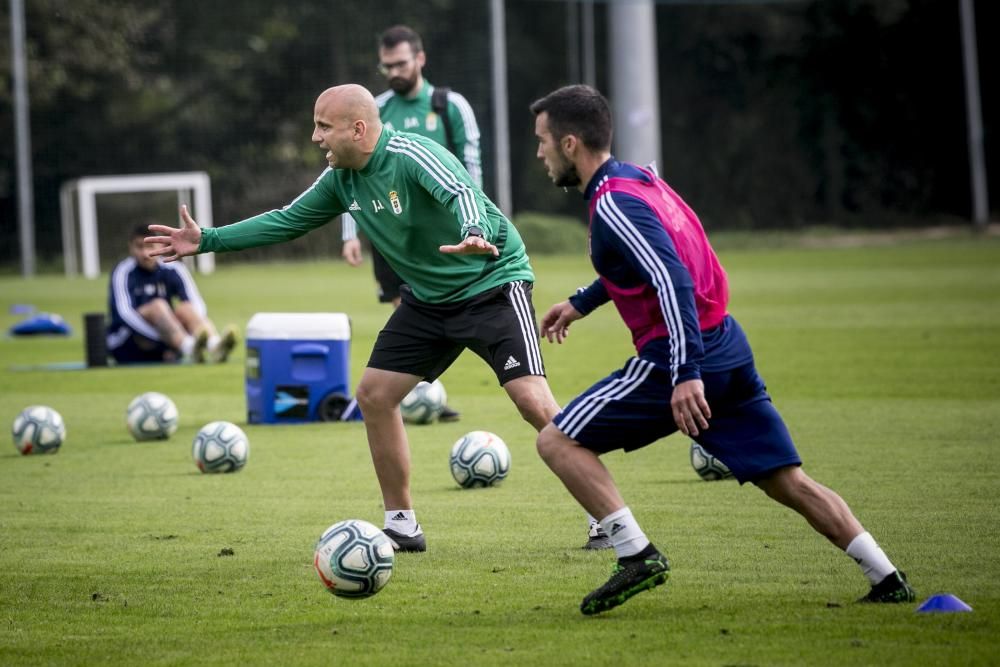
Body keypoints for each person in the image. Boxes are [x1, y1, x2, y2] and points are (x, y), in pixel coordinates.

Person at [530, 84, 916, 615]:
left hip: (679, 357)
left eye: (543, 141)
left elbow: (671, 280)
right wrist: (583, 302)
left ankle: (637, 555)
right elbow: (657, 262)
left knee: (556, 441)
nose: (540, 153)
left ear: (571, 144)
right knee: (788, 480)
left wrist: (685, 372)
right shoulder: (640, 181)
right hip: (727, 346)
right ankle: (887, 576)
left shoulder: (612, 202)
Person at [145, 84, 573, 554]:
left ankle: (608, 519)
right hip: (429, 301)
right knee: (373, 395)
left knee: (531, 400)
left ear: (359, 128)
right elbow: (287, 221)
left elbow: (461, 192)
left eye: (323, 126)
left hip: (492, 284)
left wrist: (473, 232)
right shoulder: (341, 179)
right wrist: (206, 239)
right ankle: (402, 524)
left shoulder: (411, 154)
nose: (315, 137)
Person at [340, 24, 481, 424]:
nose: (394, 72)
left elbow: (472, 166)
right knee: (410, 307)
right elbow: (351, 173)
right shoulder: (375, 109)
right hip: (392, 232)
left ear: (420, 59)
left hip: (449, 231)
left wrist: (475, 220)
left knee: (456, 312)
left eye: (401, 63)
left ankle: (423, 394)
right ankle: (423, 395)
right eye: (386, 66)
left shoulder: (449, 106)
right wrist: (350, 234)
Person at [107, 223, 237, 365]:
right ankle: (189, 347)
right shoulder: (123, 271)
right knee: (158, 306)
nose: (145, 253)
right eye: (139, 247)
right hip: (129, 342)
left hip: (171, 339)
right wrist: (163, 337)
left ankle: (214, 345)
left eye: (150, 246)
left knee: (185, 308)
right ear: (130, 247)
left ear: (161, 247)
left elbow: (196, 305)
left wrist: (175, 333)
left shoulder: (174, 268)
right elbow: (125, 314)